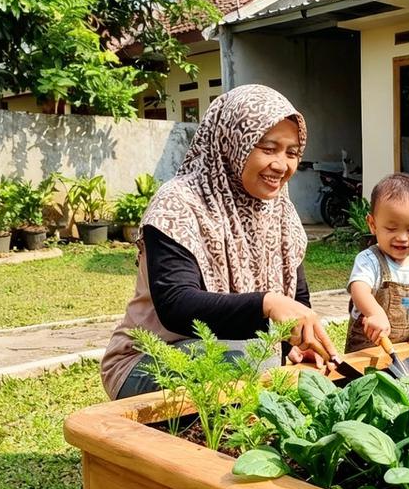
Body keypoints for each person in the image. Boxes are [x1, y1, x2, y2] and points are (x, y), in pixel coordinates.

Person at [100, 85, 340, 400]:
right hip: (148, 360)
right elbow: (176, 304)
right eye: (268, 148)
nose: (282, 165)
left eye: (291, 152)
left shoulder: (280, 210)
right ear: (232, 143)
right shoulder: (179, 203)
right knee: (255, 355)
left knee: (265, 356)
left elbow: (297, 297)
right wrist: (267, 304)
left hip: (236, 355)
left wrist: (296, 344)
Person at [345, 173, 409, 354]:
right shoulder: (369, 260)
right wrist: (375, 313)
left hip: (407, 352)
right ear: (372, 224)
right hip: (367, 354)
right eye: (391, 228)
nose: (402, 238)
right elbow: (359, 288)